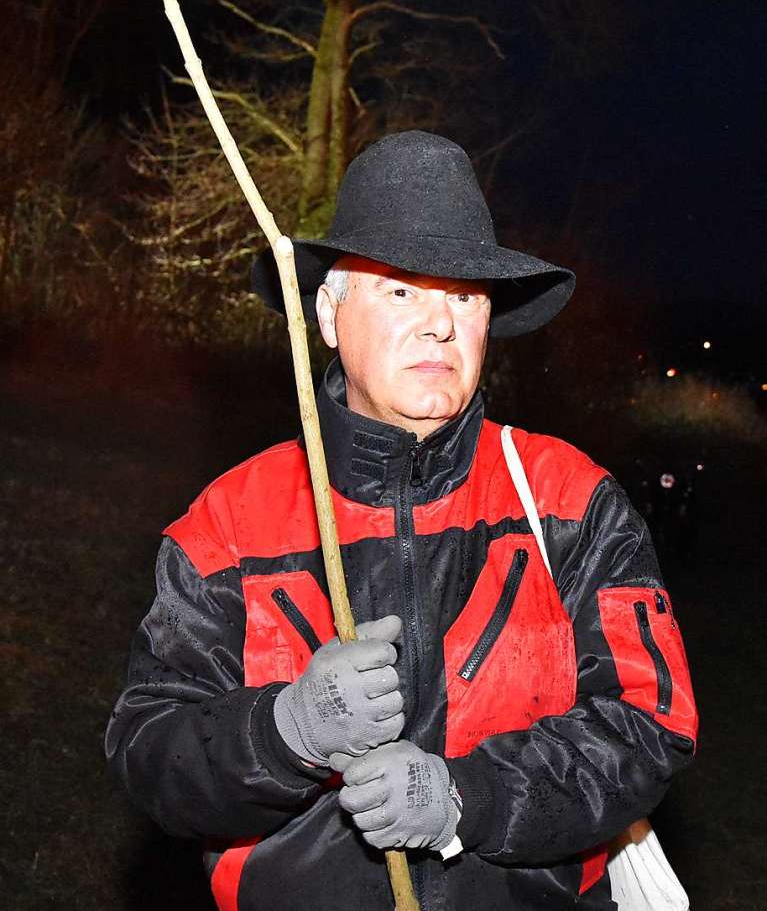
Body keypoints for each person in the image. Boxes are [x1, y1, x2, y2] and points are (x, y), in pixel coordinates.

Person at [106, 131, 698, 911]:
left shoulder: (569, 500)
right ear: (327, 315)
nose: (440, 325)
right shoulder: (229, 524)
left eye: (463, 296)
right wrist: (286, 730)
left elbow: (649, 724)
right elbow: (150, 754)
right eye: (399, 291)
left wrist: (470, 798)